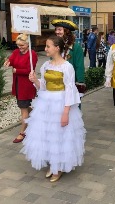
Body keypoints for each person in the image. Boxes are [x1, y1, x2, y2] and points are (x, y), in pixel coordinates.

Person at [22, 35, 86, 183]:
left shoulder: (67, 67)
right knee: (48, 135)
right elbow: (43, 86)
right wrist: (35, 80)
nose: (45, 49)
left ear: (57, 48)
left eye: (48, 46)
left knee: (60, 136)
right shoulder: (46, 65)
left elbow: (70, 90)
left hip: (61, 103)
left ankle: (59, 167)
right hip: (46, 103)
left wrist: (65, 113)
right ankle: (53, 163)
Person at [4, 33, 38, 143]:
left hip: (26, 85)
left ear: (28, 44)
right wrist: (7, 62)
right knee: (24, 106)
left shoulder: (32, 54)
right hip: (18, 84)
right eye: (18, 45)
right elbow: (12, 61)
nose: (20, 47)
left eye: (22, 45)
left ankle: (23, 132)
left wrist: (16, 70)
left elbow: (29, 70)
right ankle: (37, 117)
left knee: (23, 108)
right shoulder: (16, 52)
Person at [52, 19, 86, 96]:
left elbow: (79, 67)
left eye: (60, 29)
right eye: (56, 29)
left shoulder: (76, 47)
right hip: (57, 84)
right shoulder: (55, 46)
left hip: (71, 84)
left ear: (66, 31)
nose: (57, 32)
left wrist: (80, 85)